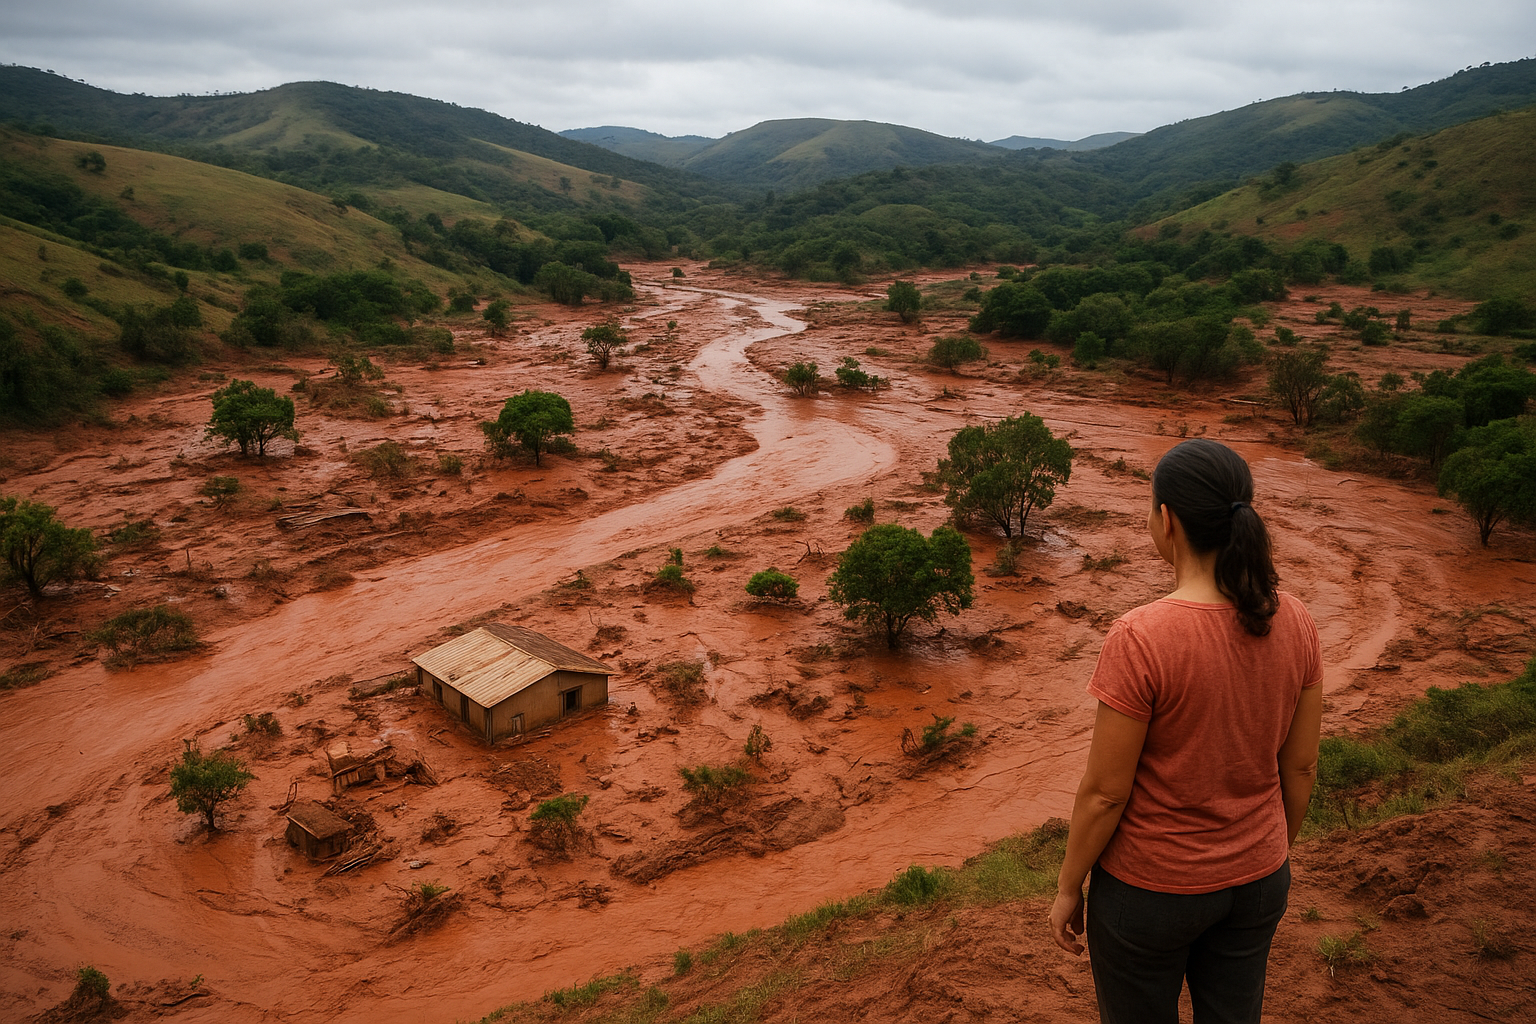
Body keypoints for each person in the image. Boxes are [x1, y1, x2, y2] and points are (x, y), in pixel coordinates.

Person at [1048, 439, 1323, 1024]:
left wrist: (1070, 886)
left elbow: (1105, 794)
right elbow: (1300, 767)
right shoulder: (1296, 619)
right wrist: (1267, 853)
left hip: (1150, 891)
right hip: (1258, 880)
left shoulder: (1140, 636)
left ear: (1167, 519)